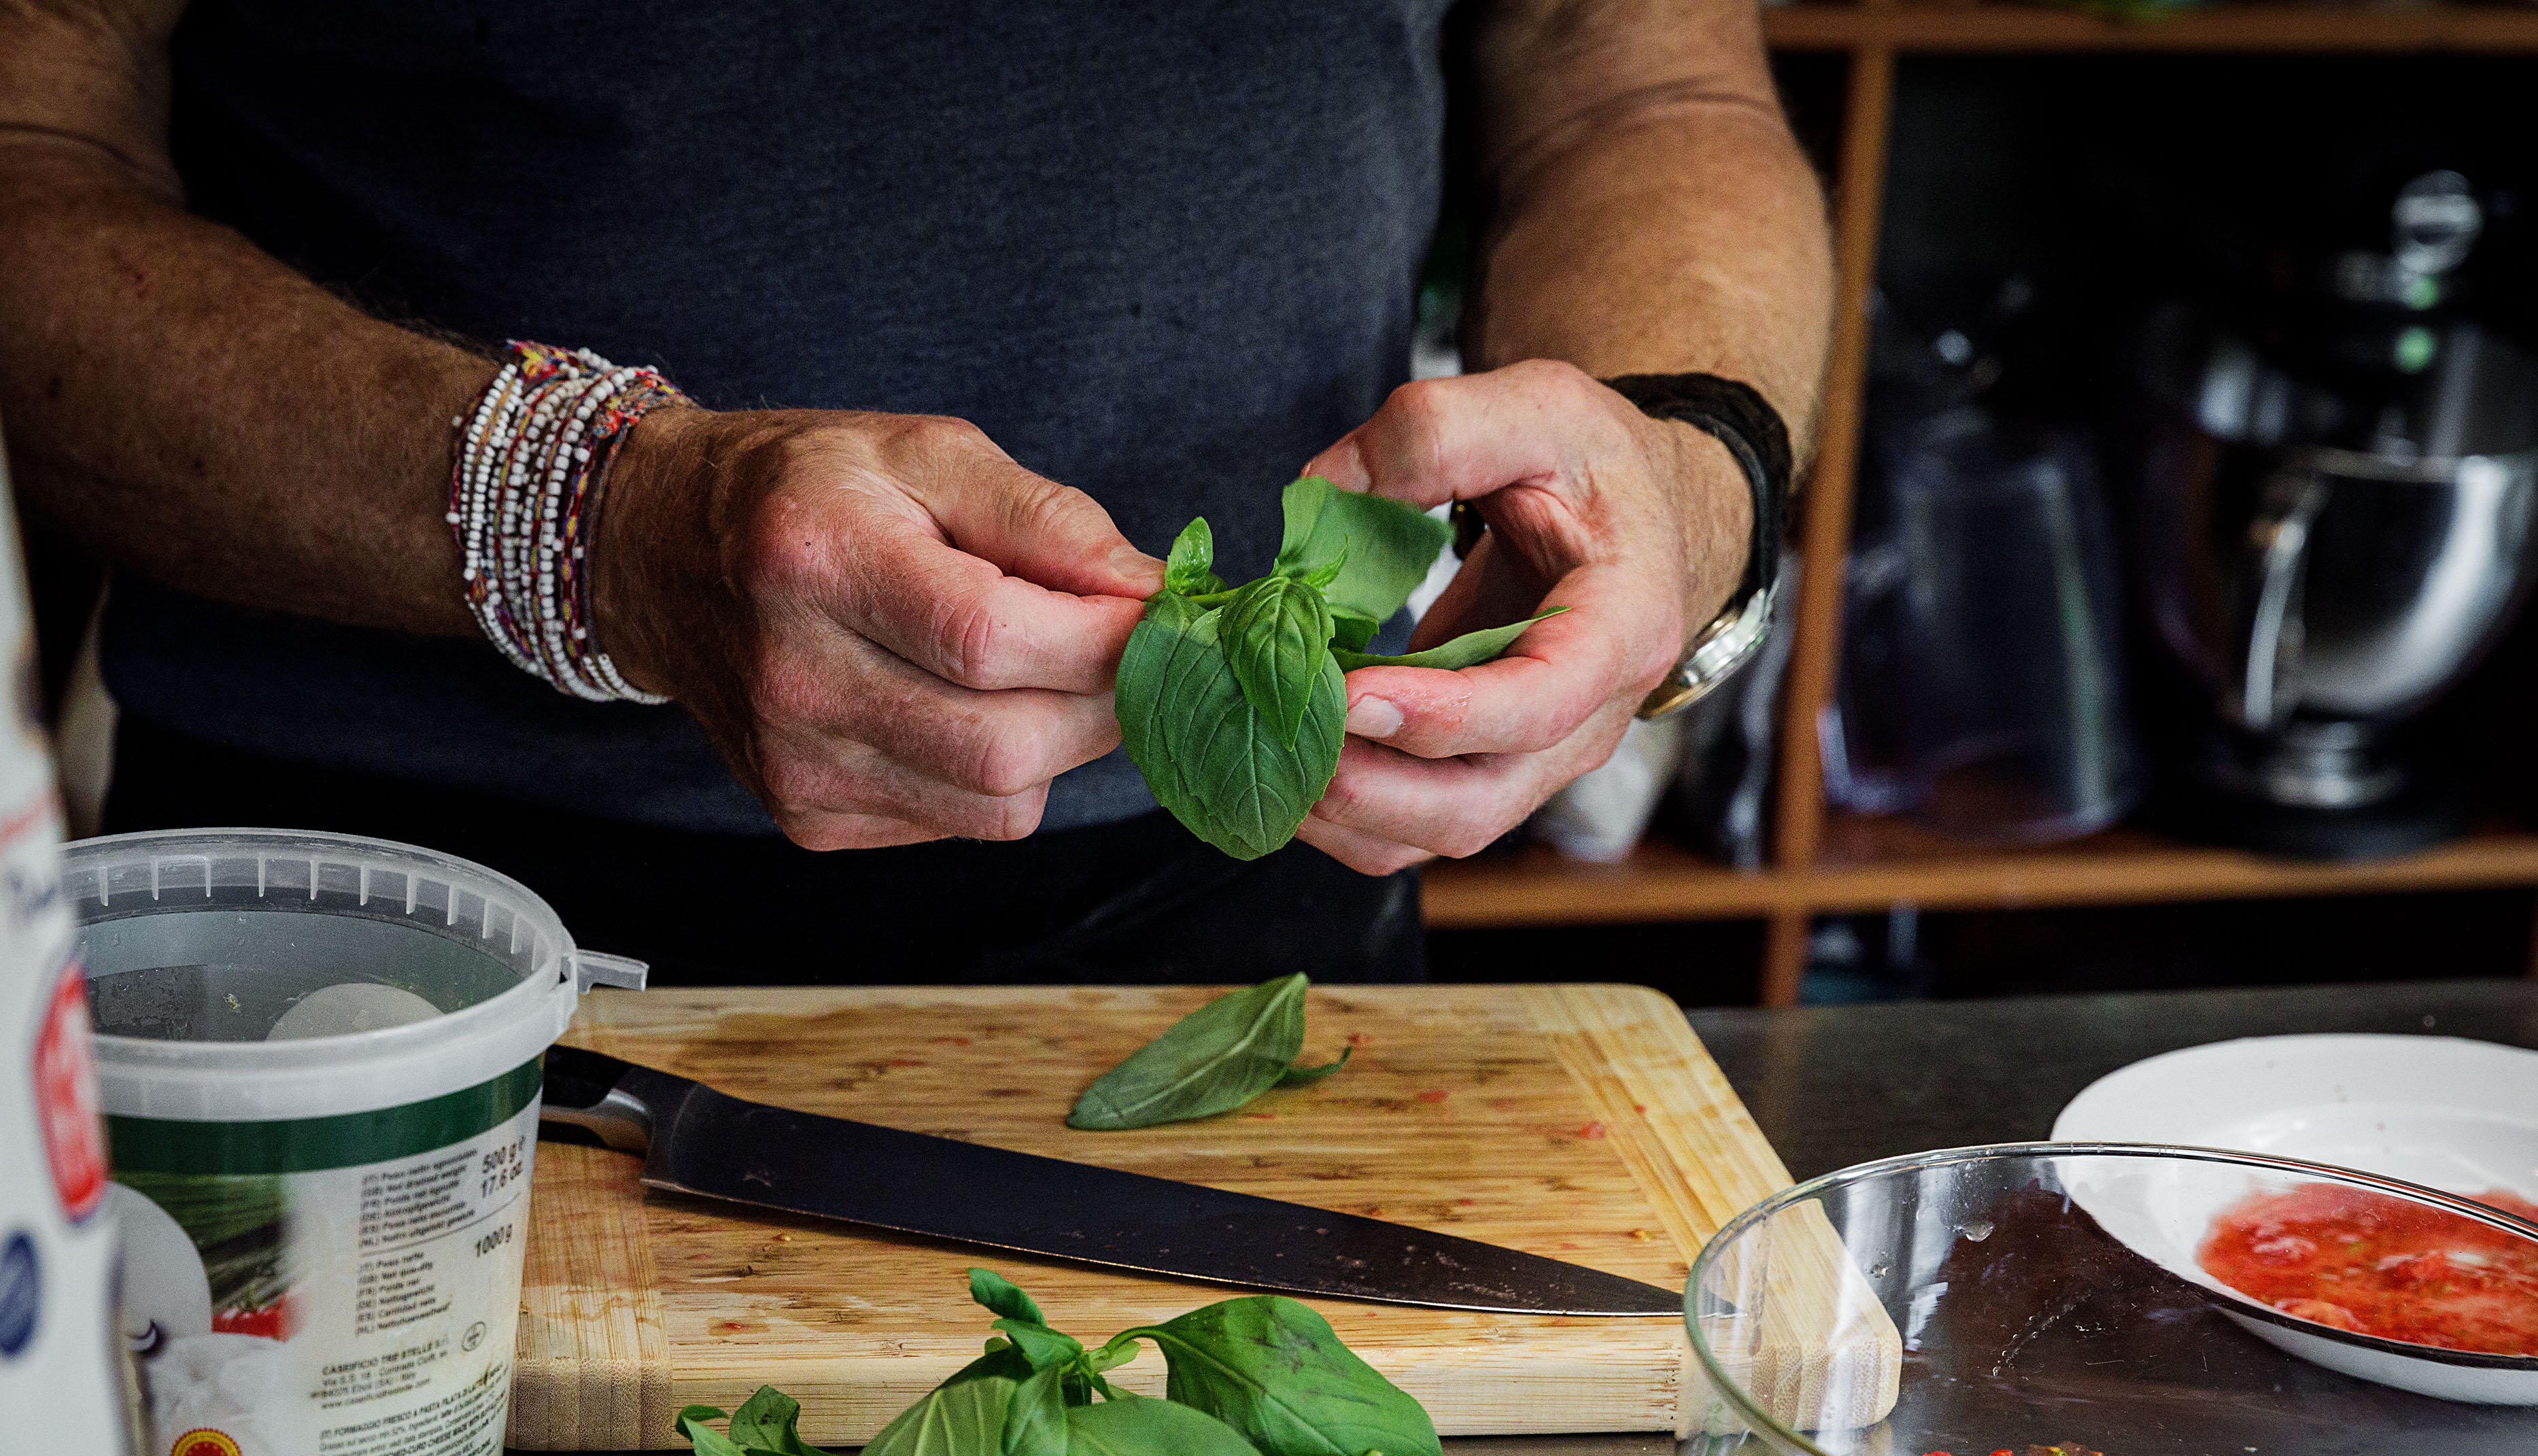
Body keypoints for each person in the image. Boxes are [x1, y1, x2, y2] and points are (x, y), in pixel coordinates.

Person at [0, 0, 1830, 984]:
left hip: (1243, 914)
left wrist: (1688, 473)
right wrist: (596, 523)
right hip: (361, 940)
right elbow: (33, 152)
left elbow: (1637, 78)